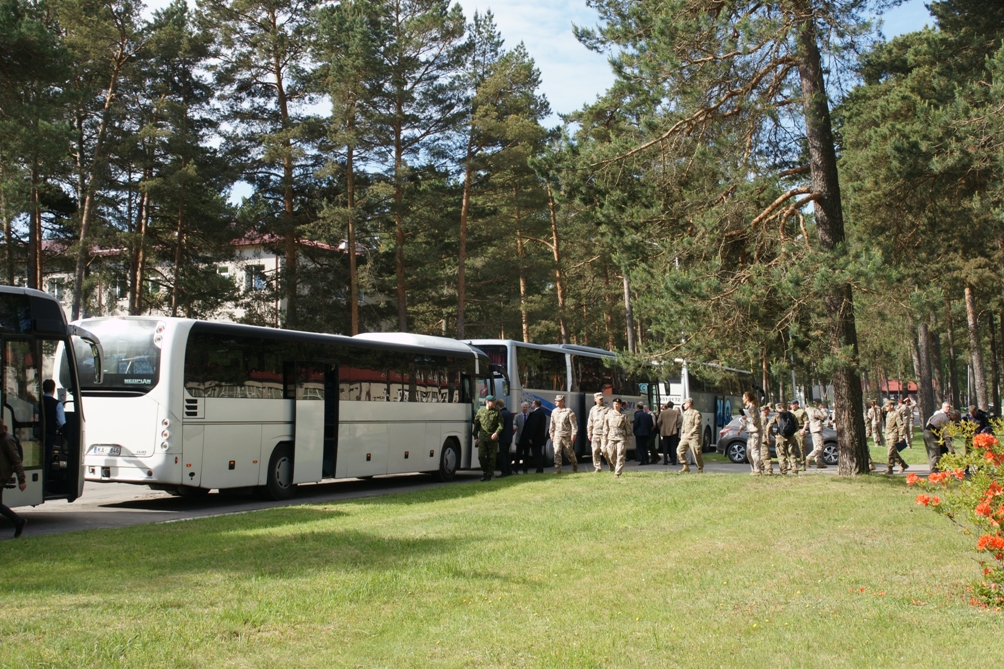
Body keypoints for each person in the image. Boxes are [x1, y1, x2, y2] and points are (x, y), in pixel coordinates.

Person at [0, 420, 28, 538]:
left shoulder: (7, 440)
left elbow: (16, 461)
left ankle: (18, 521)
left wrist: (21, 480)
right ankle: (18, 521)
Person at [473, 395, 503, 482]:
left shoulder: (497, 412)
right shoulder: (481, 411)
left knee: (492, 457)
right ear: (487, 402)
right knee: (481, 456)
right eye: (493, 402)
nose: (494, 403)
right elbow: (476, 425)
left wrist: (496, 433)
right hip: (482, 438)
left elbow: (501, 425)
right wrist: (475, 437)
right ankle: (485, 471)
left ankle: (489, 474)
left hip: (492, 439)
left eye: (495, 402)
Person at [766, 402, 799, 475]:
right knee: (792, 453)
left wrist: (772, 435)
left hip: (780, 437)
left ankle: (783, 471)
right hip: (791, 437)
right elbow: (797, 426)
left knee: (781, 454)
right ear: (786, 407)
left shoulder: (777, 415)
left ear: (780, 407)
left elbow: (768, 426)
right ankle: (794, 469)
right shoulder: (792, 415)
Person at [549, 395, 579, 474]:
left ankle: (574, 466)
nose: (556, 402)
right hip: (557, 435)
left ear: (562, 402)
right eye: (555, 401)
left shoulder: (568, 411)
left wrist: (574, 434)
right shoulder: (554, 411)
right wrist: (551, 434)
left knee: (569, 453)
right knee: (557, 452)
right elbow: (552, 424)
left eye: (558, 401)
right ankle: (558, 469)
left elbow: (574, 424)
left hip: (567, 435)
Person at [603, 398, 632, 477]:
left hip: (621, 438)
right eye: (615, 404)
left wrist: (629, 437)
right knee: (611, 455)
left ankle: (617, 473)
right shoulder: (608, 415)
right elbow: (606, 427)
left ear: (620, 405)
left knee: (620, 454)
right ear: (613, 405)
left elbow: (628, 427)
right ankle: (616, 466)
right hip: (611, 437)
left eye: (618, 404)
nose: (616, 405)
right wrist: (604, 437)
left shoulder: (624, 416)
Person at [924, 402, 955, 470]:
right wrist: (951, 449)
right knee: (935, 453)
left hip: (928, 432)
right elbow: (946, 436)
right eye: (955, 417)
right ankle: (934, 471)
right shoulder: (945, 418)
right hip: (931, 433)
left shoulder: (942, 415)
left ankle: (938, 469)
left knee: (935, 453)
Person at [676, 397, 703, 473]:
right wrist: (682, 435)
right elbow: (683, 425)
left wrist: (690, 434)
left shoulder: (696, 413)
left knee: (696, 452)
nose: (683, 405)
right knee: (679, 450)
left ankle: (700, 468)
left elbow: (697, 425)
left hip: (694, 436)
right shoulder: (685, 413)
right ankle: (685, 466)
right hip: (685, 436)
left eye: (684, 403)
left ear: (689, 404)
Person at [883, 398, 909, 474]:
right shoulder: (888, 414)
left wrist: (901, 437)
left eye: (887, 406)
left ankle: (890, 468)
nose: (886, 407)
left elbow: (901, 426)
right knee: (894, 452)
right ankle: (903, 465)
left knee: (890, 453)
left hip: (893, 435)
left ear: (892, 406)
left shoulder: (896, 414)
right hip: (888, 435)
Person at [587, 392, 611, 472]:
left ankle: (611, 464)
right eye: (599, 399)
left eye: (602, 398)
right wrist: (589, 433)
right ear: (595, 399)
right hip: (595, 433)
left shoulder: (607, 409)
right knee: (595, 451)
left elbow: (611, 421)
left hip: (605, 434)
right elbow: (590, 422)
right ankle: (597, 467)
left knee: (605, 450)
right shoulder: (593, 409)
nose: (601, 400)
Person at [522, 400, 548, 473]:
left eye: (533, 403)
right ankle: (540, 468)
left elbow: (534, 427)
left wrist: (531, 438)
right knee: (539, 454)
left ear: (535, 405)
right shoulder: (542, 413)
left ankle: (539, 469)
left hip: (535, 439)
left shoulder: (536, 414)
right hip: (540, 438)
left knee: (536, 455)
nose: (532, 404)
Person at [741, 392, 763, 475]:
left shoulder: (753, 408)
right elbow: (747, 422)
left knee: (755, 452)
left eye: (743, 397)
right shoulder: (748, 408)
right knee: (748, 453)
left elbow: (755, 421)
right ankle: (753, 469)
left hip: (756, 433)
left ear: (747, 398)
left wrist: (747, 418)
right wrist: (741, 428)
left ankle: (758, 470)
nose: (742, 399)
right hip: (751, 433)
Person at [804, 399, 830, 468]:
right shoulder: (815, 410)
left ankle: (819, 462)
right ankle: (809, 458)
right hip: (816, 430)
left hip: (813, 429)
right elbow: (823, 417)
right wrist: (823, 410)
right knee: (819, 447)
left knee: (816, 446)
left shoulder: (808, 409)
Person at [656, 401, 681, 466]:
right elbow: (679, 421)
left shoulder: (663, 413)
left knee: (665, 446)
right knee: (673, 446)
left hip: (665, 431)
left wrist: (661, 427)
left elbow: (658, 421)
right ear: (672, 406)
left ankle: (665, 461)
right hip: (673, 431)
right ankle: (673, 461)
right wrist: (674, 425)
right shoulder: (675, 413)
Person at [496, 399, 514, 477]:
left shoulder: (501, 414)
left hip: (503, 438)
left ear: (498, 405)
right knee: (506, 455)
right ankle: (509, 471)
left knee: (502, 455)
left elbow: (500, 426)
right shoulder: (509, 413)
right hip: (509, 438)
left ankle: (504, 472)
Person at [790, 400, 808, 472]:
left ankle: (803, 464)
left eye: (793, 404)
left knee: (801, 448)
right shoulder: (790, 412)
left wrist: (803, 430)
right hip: (792, 431)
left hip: (800, 430)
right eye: (791, 405)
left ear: (797, 404)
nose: (792, 406)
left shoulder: (802, 411)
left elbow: (806, 422)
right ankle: (792, 464)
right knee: (791, 448)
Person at [514, 402, 531, 473]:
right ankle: (515, 470)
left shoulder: (530, 416)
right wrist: (514, 427)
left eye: (526, 407)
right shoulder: (517, 416)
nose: (525, 408)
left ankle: (525, 470)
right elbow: (514, 423)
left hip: (527, 439)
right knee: (518, 455)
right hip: (520, 438)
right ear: (521, 408)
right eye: (524, 407)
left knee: (526, 455)